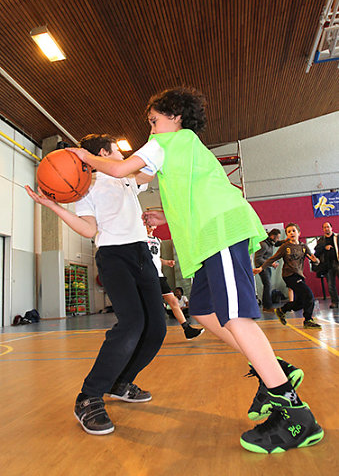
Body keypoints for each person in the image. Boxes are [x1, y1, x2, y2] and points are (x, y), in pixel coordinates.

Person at [69, 87, 324, 454]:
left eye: (154, 121)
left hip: (219, 233)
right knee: (202, 311)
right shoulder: (184, 149)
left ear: (173, 116)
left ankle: (294, 412)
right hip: (208, 241)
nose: (151, 129)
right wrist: (164, 215)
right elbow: (164, 189)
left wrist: (83, 156)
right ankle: (274, 367)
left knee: (236, 317)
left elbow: (122, 168)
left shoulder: (170, 142)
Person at [25, 134, 167, 436]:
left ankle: (120, 382)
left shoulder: (127, 176)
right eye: (117, 149)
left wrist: (161, 135)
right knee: (131, 324)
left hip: (141, 253)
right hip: (113, 255)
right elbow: (89, 228)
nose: (121, 153)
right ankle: (88, 397)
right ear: (104, 152)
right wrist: (53, 206)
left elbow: (152, 168)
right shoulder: (84, 185)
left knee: (157, 327)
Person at [254, 223, 321, 329]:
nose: (291, 233)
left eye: (293, 231)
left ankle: (282, 310)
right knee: (309, 295)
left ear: (299, 233)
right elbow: (272, 258)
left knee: (300, 302)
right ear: (287, 235)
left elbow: (315, 260)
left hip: (299, 276)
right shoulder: (285, 247)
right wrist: (261, 268)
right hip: (289, 275)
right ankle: (308, 320)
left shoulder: (303, 247)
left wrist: (315, 261)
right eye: (289, 232)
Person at [146, 225, 204, 339]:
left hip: (159, 276)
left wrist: (166, 262)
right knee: (152, 305)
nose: (151, 227)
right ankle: (146, 332)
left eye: (152, 224)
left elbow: (156, 257)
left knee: (173, 301)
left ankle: (187, 329)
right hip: (148, 276)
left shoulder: (158, 240)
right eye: (148, 225)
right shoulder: (141, 240)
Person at [254, 228, 281, 312]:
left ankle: (267, 305)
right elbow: (257, 258)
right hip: (261, 267)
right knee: (267, 285)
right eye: (277, 237)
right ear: (272, 236)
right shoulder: (264, 245)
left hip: (266, 266)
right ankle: (267, 306)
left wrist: (286, 240)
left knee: (268, 285)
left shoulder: (270, 243)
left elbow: (277, 244)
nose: (278, 240)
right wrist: (270, 263)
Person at [315, 221, 339, 309]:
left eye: (328, 227)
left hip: (337, 262)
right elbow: (316, 252)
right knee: (330, 285)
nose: (326, 229)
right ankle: (335, 302)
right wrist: (324, 248)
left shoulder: (337, 237)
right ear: (323, 229)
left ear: (331, 228)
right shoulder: (321, 240)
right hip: (327, 265)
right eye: (324, 227)